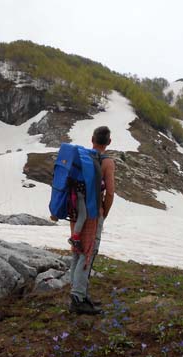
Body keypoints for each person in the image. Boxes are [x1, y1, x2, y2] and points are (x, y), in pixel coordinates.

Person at [68, 126, 116, 315]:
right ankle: (78, 298)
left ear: (92, 139)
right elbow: (110, 192)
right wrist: (105, 211)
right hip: (92, 213)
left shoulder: (81, 157)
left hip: (75, 211)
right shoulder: (107, 162)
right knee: (88, 253)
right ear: (109, 142)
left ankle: (77, 293)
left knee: (77, 251)